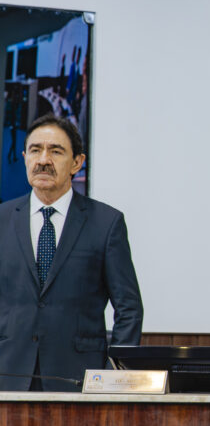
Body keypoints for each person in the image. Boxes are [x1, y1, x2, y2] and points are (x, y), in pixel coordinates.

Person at [0, 114, 142, 391]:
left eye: (55, 151)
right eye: (35, 150)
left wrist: (115, 372)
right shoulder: (2, 219)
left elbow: (129, 308)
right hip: (8, 373)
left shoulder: (106, 222)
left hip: (79, 377)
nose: (43, 159)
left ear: (77, 162)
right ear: (24, 157)